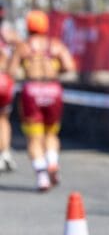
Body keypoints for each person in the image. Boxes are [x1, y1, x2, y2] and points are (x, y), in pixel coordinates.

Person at [8, 10, 76, 191]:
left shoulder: (24, 47)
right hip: (53, 90)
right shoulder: (55, 45)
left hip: (32, 90)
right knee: (51, 134)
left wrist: (25, 70)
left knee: (34, 139)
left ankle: (42, 176)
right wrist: (54, 70)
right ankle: (52, 161)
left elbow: (11, 72)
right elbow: (69, 66)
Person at [0, 1, 20, 172]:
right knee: (4, 119)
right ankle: (4, 153)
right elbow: (23, 47)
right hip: (5, 80)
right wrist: (12, 67)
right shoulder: (8, 34)